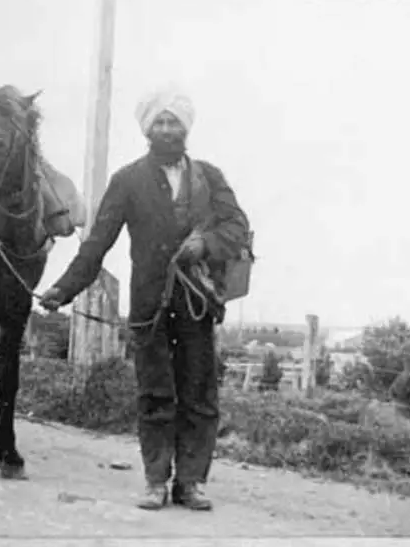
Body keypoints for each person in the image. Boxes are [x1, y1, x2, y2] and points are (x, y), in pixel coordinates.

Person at [39, 87, 250, 511]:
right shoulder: (128, 180)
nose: (167, 129)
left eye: (174, 122)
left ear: (185, 128)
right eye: (160, 122)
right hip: (149, 306)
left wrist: (205, 244)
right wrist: (63, 289)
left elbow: (238, 228)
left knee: (199, 393)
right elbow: (96, 244)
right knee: (154, 392)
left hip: (197, 305)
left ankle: (191, 482)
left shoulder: (209, 177)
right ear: (148, 129)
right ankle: (156, 479)